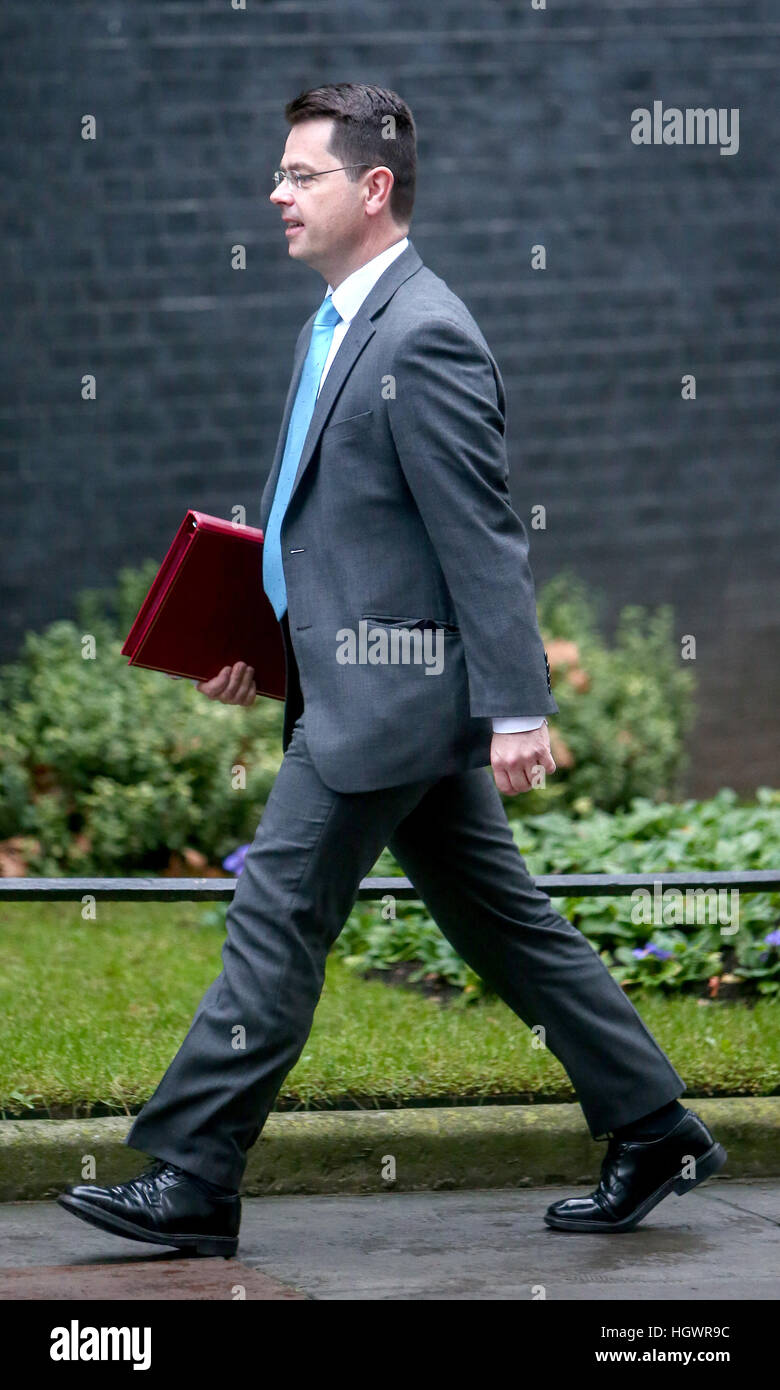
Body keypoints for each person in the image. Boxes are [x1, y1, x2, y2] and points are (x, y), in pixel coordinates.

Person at [58, 83, 725, 1258]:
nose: (274, 193)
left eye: (299, 174)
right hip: (353, 685)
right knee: (505, 922)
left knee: (274, 915)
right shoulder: (335, 323)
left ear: (373, 188)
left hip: (393, 704)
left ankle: (194, 1176)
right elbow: (354, 534)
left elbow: (480, 535)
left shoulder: (426, 333)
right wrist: (265, 644)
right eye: (277, 173)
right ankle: (656, 1125)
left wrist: (519, 707)